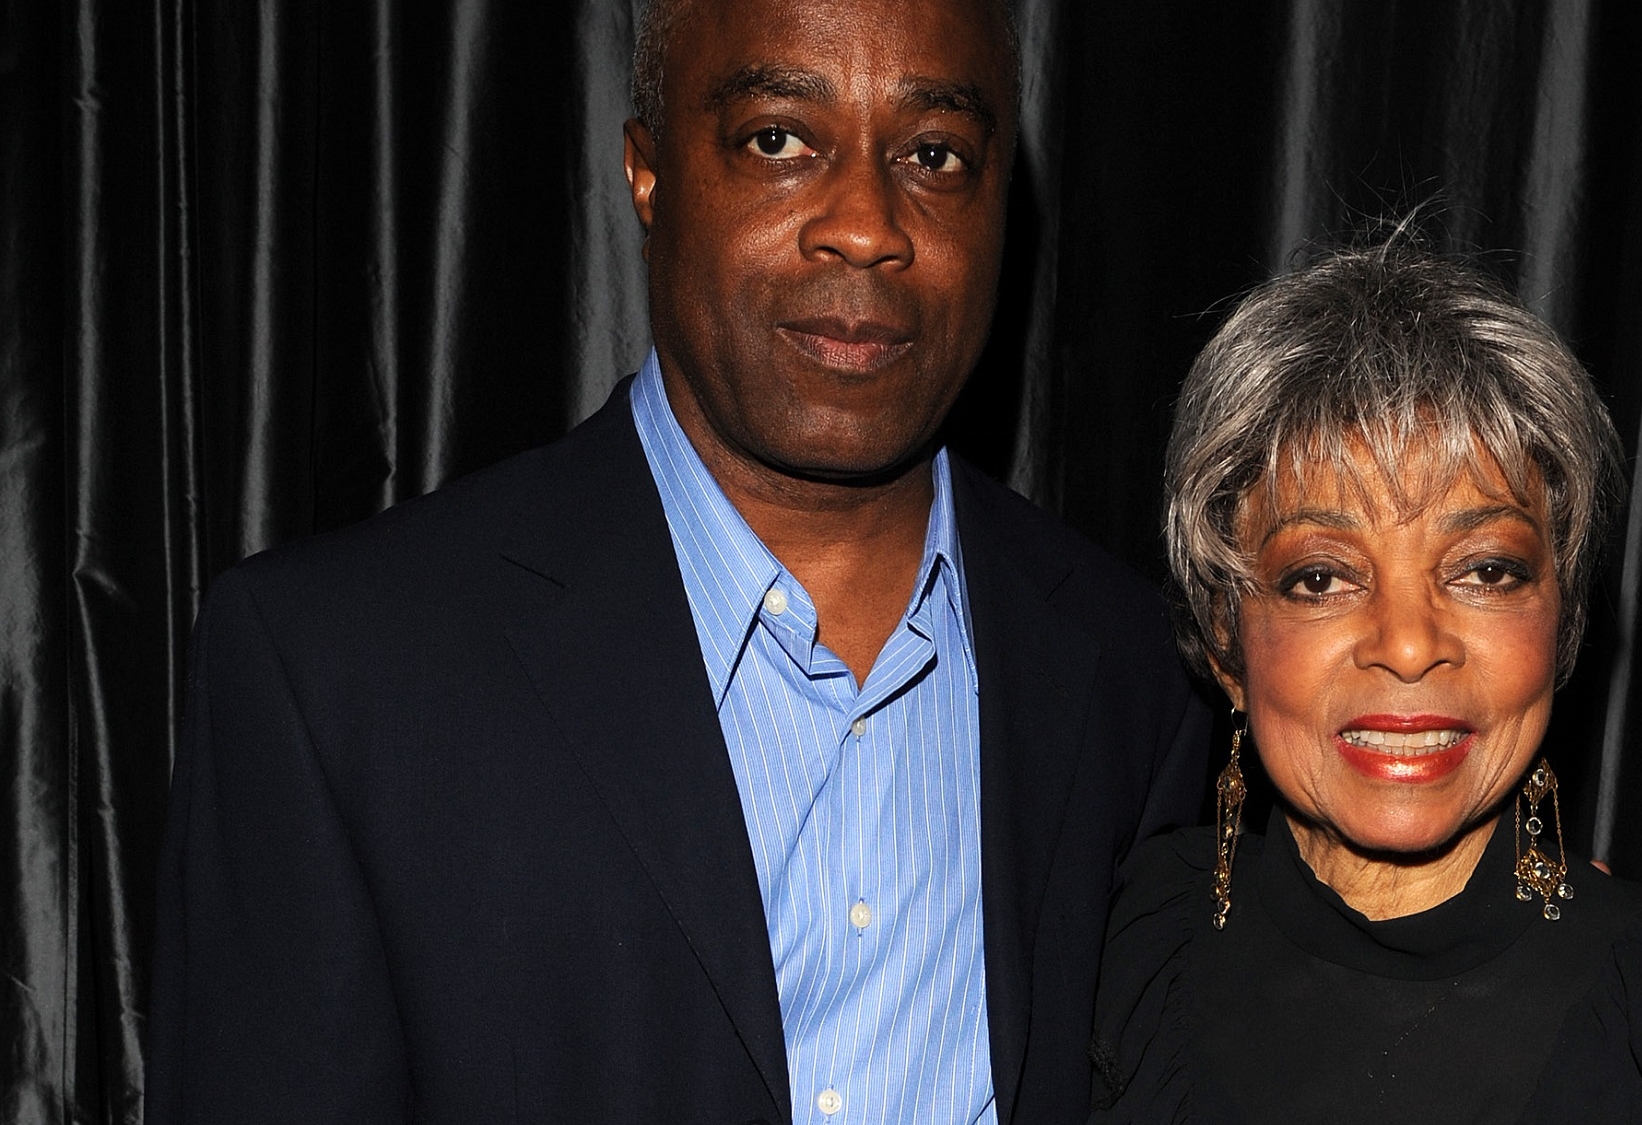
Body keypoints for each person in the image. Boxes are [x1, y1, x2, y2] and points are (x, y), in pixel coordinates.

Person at [145, 0, 1210, 1121]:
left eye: (933, 154)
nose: (862, 223)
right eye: (779, 140)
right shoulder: (335, 675)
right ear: (646, 172)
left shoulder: (1137, 673)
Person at [1087, 243, 1642, 1123]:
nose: (1409, 646)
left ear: (1561, 628)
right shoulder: (1124, 951)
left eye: (1485, 569)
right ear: (1225, 640)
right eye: (1322, 577)